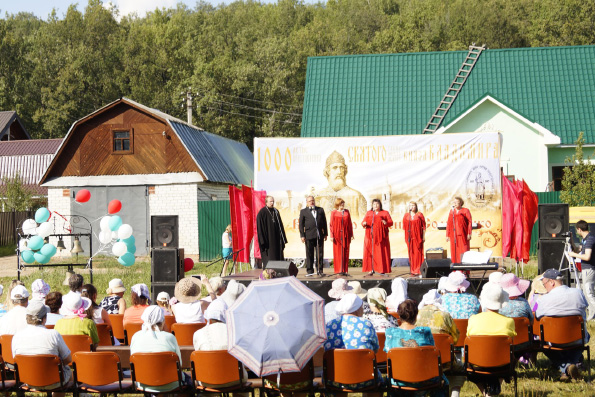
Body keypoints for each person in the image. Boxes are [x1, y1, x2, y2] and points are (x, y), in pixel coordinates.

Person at [384, 299, 449, 396]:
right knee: (444, 382)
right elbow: (432, 353)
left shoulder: (390, 333)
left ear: (399, 315)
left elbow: (388, 352)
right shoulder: (425, 331)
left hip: (398, 380)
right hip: (424, 378)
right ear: (416, 315)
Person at [536, 268, 589, 381]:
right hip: (578, 338)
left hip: (554, 340)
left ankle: (565, 367)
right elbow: (585, 307)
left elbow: (537, 315)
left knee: (542, 343)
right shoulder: (578, 293)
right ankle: (570, 365)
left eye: (544, 283)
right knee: (583, 337)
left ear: (552, 282)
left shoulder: (543, 299)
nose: (544, 286)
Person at [324, 294, 382, 392]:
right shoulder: (366, 323)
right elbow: (375, 349)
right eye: (362, 307)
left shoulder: (329, 325)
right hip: (366, 378)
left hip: (334, 378)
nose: (363, 310)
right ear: (357, 309)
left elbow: (326, 350)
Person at [467, 283, 516, 396]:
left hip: (476, 364)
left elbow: (469, 341)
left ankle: (486, 393)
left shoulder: (473, 319)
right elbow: (511, 345)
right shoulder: (509, 321)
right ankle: (493, 390)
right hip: (502, 364)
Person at [12, 301, 73, 389]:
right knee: (70, 372)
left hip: (29, 380)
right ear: (45, 318)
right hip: (54, 381)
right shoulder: (53, 334)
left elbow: (16, 362)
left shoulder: (16, 337)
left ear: (26, 318)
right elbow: (68, 359)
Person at [130, 306, 184, 393]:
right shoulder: (170, 337)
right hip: (171, 384)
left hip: (143, 383)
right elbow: (179, 364)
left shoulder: (136, 336)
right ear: (163, 321)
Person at [313, 150, 367, 218]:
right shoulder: (318, 196)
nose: (339, 172)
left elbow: (363, 223)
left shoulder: (357, 196)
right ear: (327, 172)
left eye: (341, 168)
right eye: (335, 168)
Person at [569, 220, 595, 321]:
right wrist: (571, 240)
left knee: (589, 292)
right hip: (585, 269)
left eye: (577, 230)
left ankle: (593, 315)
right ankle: (591, 314)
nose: (577, 232)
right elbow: (577, 250)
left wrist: (574, 255)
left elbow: (587, 256)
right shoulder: (585, 240)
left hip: (589, 269)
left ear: (579, 229)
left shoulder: (590, 239)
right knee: (585, 291)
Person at [362, 199, 393, 275]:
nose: (375, 206)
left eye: (377, 204)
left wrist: (386, 222)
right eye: (374, 204)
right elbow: (363, 222)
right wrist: (364, 223)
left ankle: (381, 269)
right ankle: (370, 269)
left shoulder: (385, 213)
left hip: (381, 237)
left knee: (380, 253)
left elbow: (391, 222)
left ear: (380, 205)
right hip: (370, 237)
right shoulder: (369, 213)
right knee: (370, 253)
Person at [299, 196, 328, 277]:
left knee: (320, 254)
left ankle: (320, 270)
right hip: (308, 235)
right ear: (307, 202)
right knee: (309, 254)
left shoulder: (320, 210)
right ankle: (310, 270)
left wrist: (325, 233)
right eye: (309, 201)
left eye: (312, 200)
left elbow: (324, 222)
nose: (311, 202)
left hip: (319, 235)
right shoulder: (303, 211)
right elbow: (301, 225)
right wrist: (302, 235)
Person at [256, 196, 288, 267]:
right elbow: (260, 228)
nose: (272, 203)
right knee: (270, 260)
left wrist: (283, 239)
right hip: (268, 242)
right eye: (270, 201)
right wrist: (262, 241)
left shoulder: (276, 211)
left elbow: (281, 226)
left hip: (277, 240)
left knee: (278, 258)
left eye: (273, 201)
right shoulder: (262, 213)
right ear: (266, 202)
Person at [330, 198, 354, 275]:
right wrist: (331, 235)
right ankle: (338, 270)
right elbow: (331, 225)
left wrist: (351, 234)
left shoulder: (346, 212)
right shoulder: (334, 212)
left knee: (345, 252)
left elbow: (350, 223)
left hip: (346, 234)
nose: (342, 205)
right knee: (337, 252)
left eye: (343, 203)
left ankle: (345, 270)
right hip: (337, 235)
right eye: (341, 203)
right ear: (337, 204)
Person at [446, 197, 472, 264]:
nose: (455, 203)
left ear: (460, 202)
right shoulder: (452, 211)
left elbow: (470, 222)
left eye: (456, 201)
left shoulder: (465, 210)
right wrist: (447, 235)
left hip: (463, 234)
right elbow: (449, 223)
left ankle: (464, 269)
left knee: (464, 250)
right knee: (455, 251)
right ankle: (455, 267)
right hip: (453, 234)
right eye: (454, 202)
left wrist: (469, 233)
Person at [403, 201, 426, 276]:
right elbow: (404, 227)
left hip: (418, 236)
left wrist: (423, 236)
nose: (412, 207)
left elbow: (424, 226)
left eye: (413, 205)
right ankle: (412, 269)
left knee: (418, 253)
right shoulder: (406, 215)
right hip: (409, 236)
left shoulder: (419, 214)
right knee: (411, 253)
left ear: (416, 206)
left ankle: (419, 269)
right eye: (410, 205)